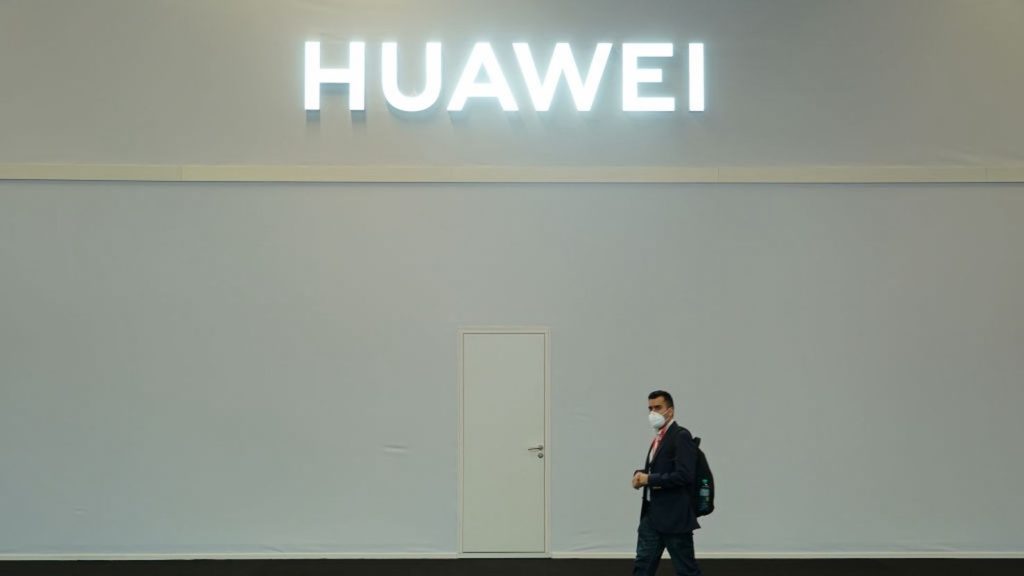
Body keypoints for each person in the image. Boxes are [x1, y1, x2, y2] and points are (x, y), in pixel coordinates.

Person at [631, 390, 702, 576]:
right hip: (651, 515)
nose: (652, 413)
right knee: (642, 565)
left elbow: (685, 475)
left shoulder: (680, 436)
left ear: (670, 411)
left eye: (658, 407)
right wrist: (640, 475)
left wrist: (649, 479)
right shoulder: (659, 437)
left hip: (674, 517)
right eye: (650, 408)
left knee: (686, 569)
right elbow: (660, 468)